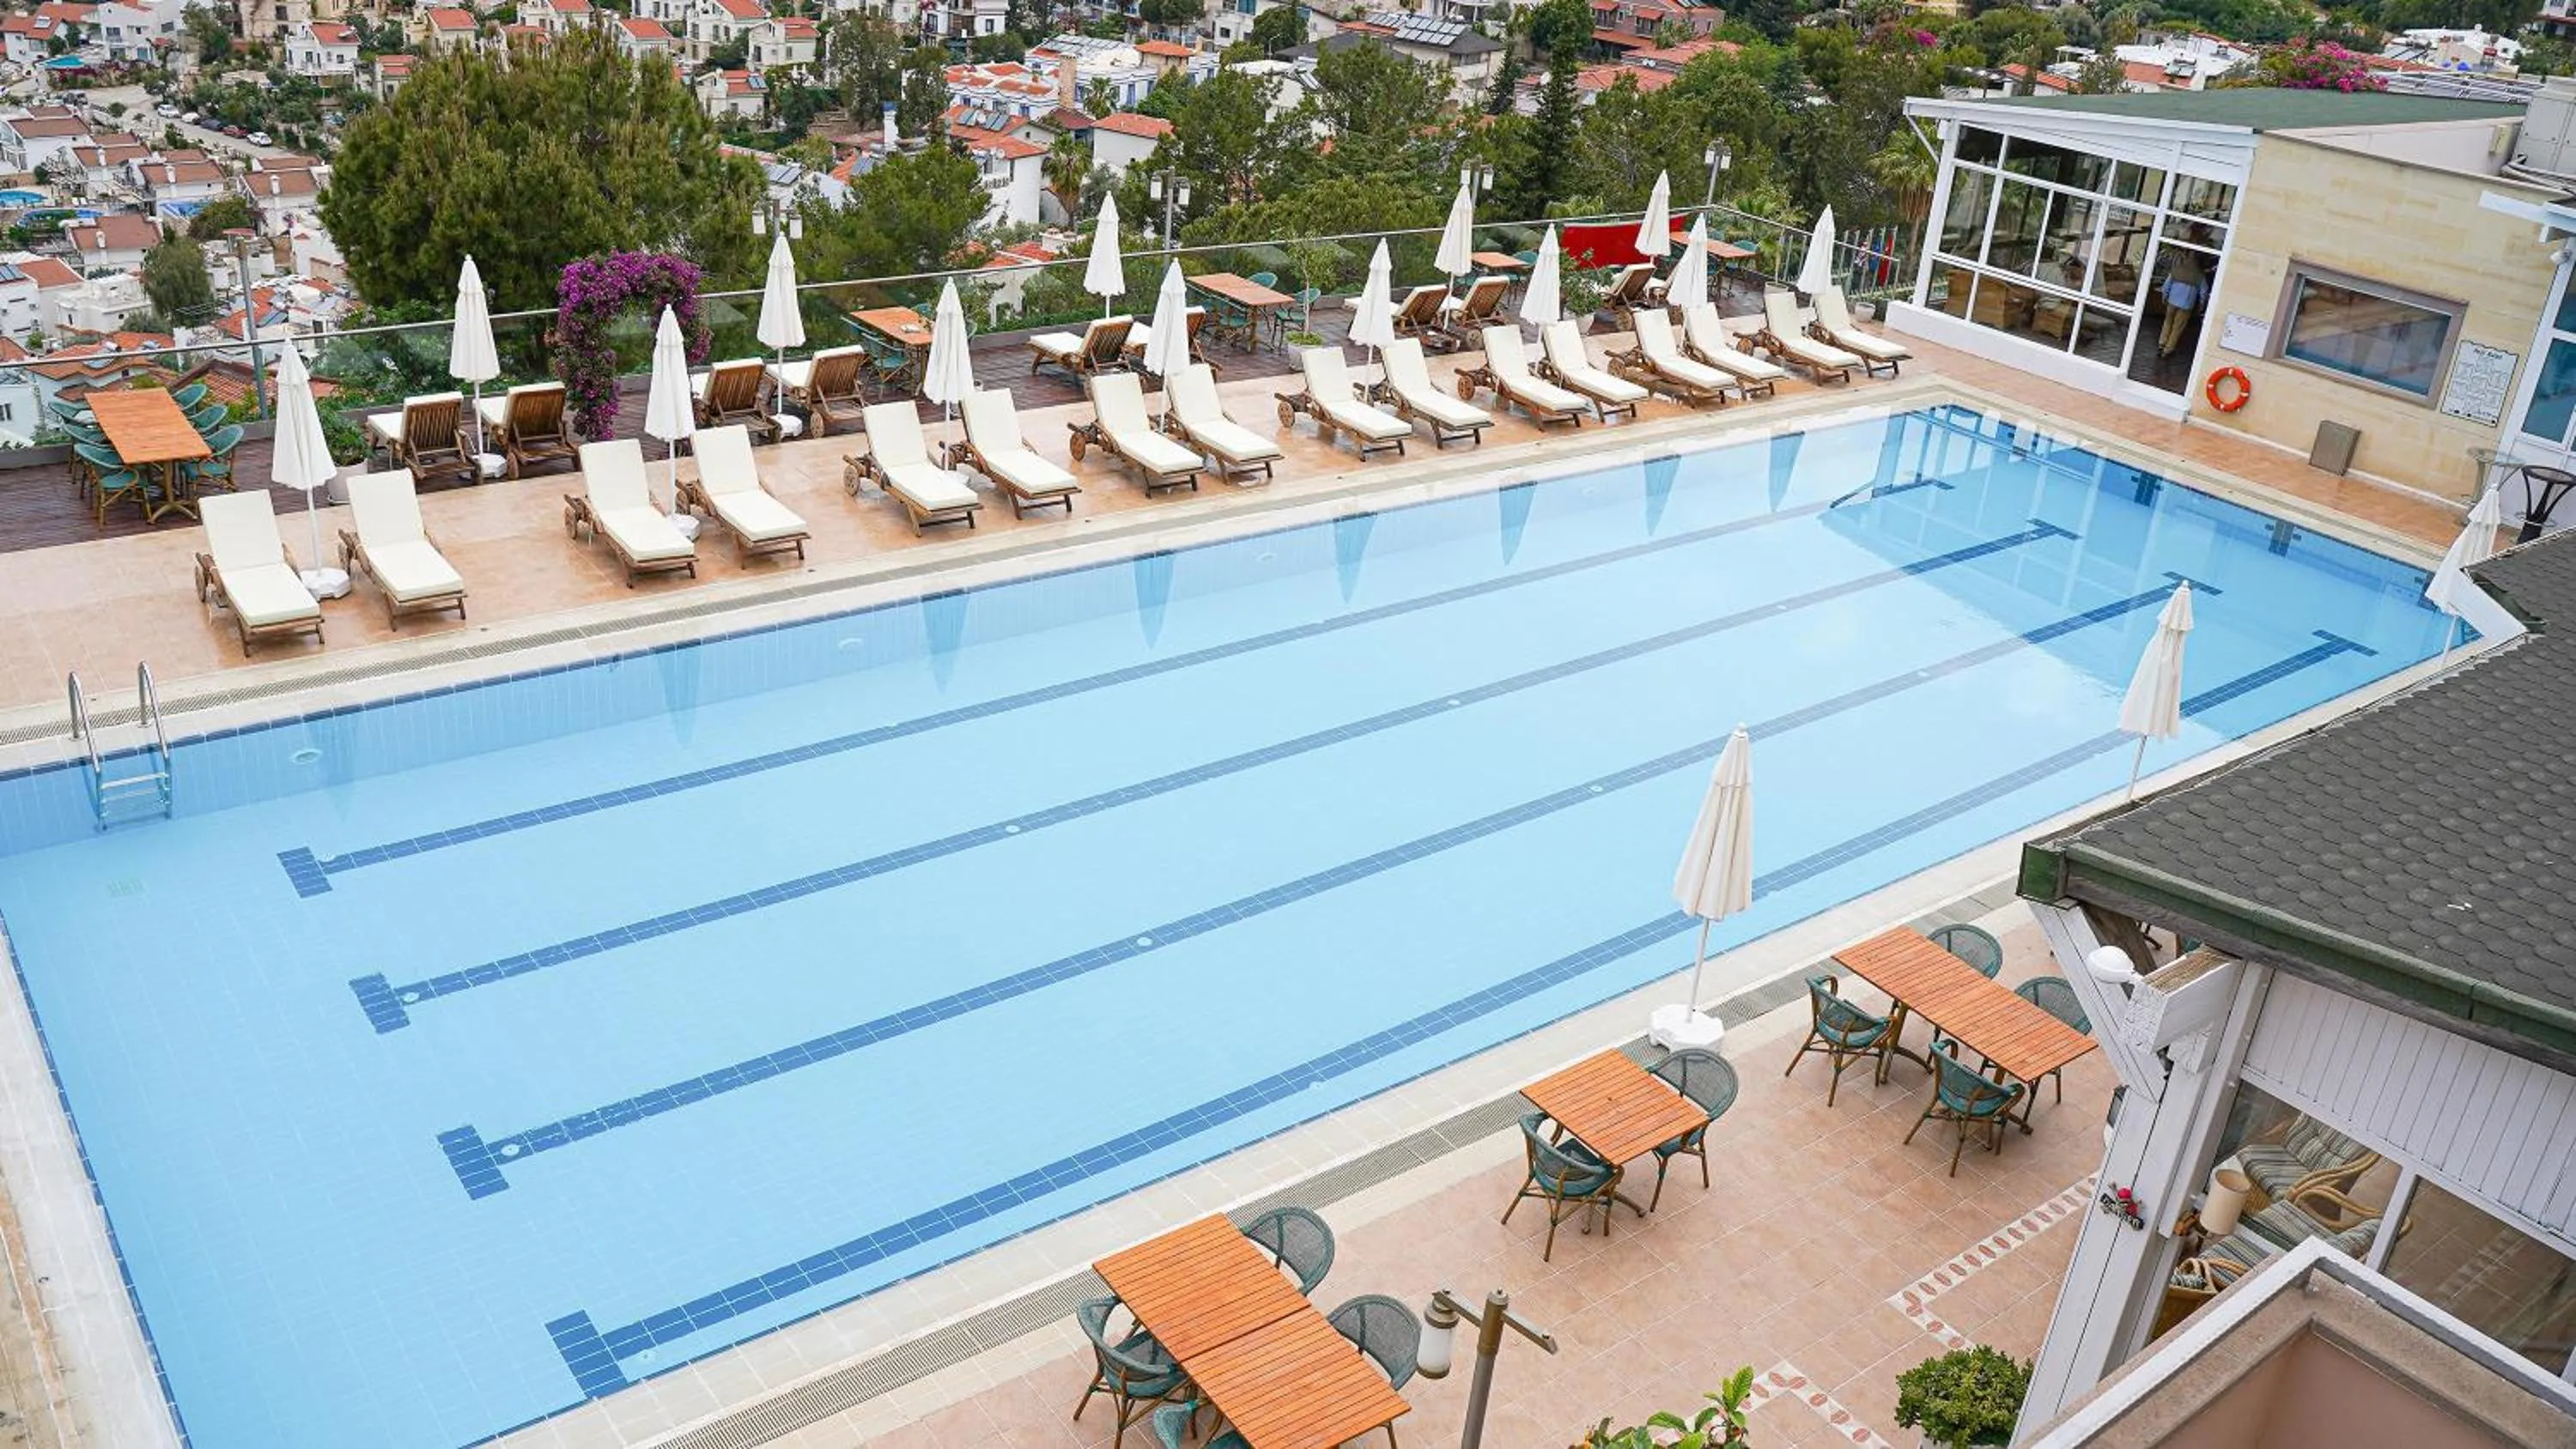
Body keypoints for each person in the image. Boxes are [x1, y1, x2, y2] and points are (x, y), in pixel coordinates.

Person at [2159, 240, 2209, 358]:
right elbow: (2204, 292)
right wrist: (2202, 306)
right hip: (2187, 305)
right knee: (2178, 327)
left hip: (2172, 301)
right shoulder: (2199, 275)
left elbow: (2166, 286)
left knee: (2167, 322)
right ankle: (2168, 350)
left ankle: (2162, 343)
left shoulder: (2177, 270)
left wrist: (2164, 297)